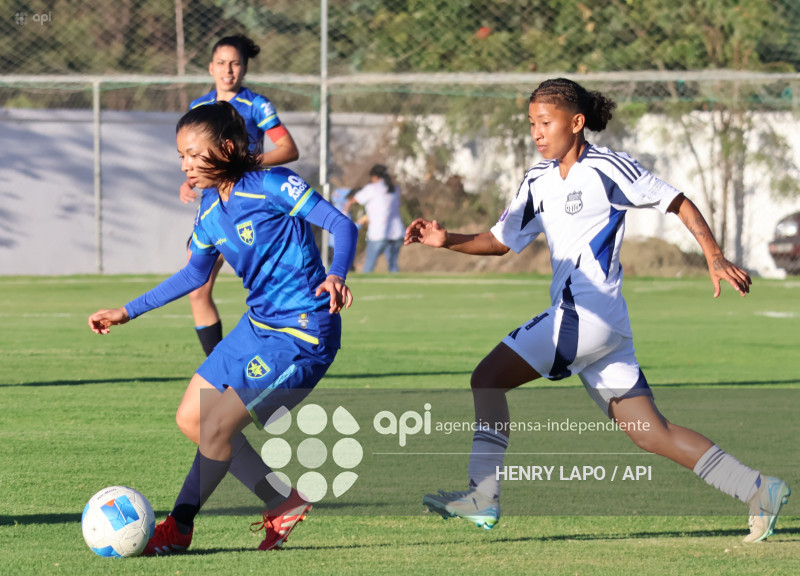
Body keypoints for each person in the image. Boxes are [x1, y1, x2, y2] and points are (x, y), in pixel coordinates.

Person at [405, 78, 790, 543]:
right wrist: (446, 239)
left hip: (584, 316)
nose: (537, 132)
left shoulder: (607, 167)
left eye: (545, 122)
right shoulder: (537, 180)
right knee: (651, 433)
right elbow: (501, 240)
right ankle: (758, 489)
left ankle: (482, 496)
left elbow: (677, 201)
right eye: (532, 123)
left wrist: (714, 255)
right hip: (604, 329)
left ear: (576, 122)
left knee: (487, 378)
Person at [88, 101, 357, 554]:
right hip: (258, 326)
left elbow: (340, 224)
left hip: (302, 335)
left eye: (195, 154)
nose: (186, 165)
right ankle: (282, 501)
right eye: (181, 156)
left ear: (228, 147)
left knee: (215, 426)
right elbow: (194, 274)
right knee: (192, 418)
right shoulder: (210, 207)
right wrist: (127, 311)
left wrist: (337, 274)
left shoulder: (272, 184)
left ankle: (178, 527)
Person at [181, 34, 300, 357]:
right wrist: (189, 181)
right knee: (197, 288)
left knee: (268, 289)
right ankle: (217, 367)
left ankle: (283, 350)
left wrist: (246, 163)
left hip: (249, 205)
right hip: (214, 208)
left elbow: (288, 149)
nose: (228, 70)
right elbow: (196, 154)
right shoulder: (198, 107)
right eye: (221, 63)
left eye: (235, 64)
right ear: (210, 67)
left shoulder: (256, 105)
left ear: (245, 68)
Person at [345, 164, 405, 273]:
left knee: (369, 266)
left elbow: (355, 199)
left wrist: (346, 207)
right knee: (393, 268)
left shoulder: (372, 188)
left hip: (378, 233)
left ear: (375, 176)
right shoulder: (395, 189)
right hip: (396, 232)